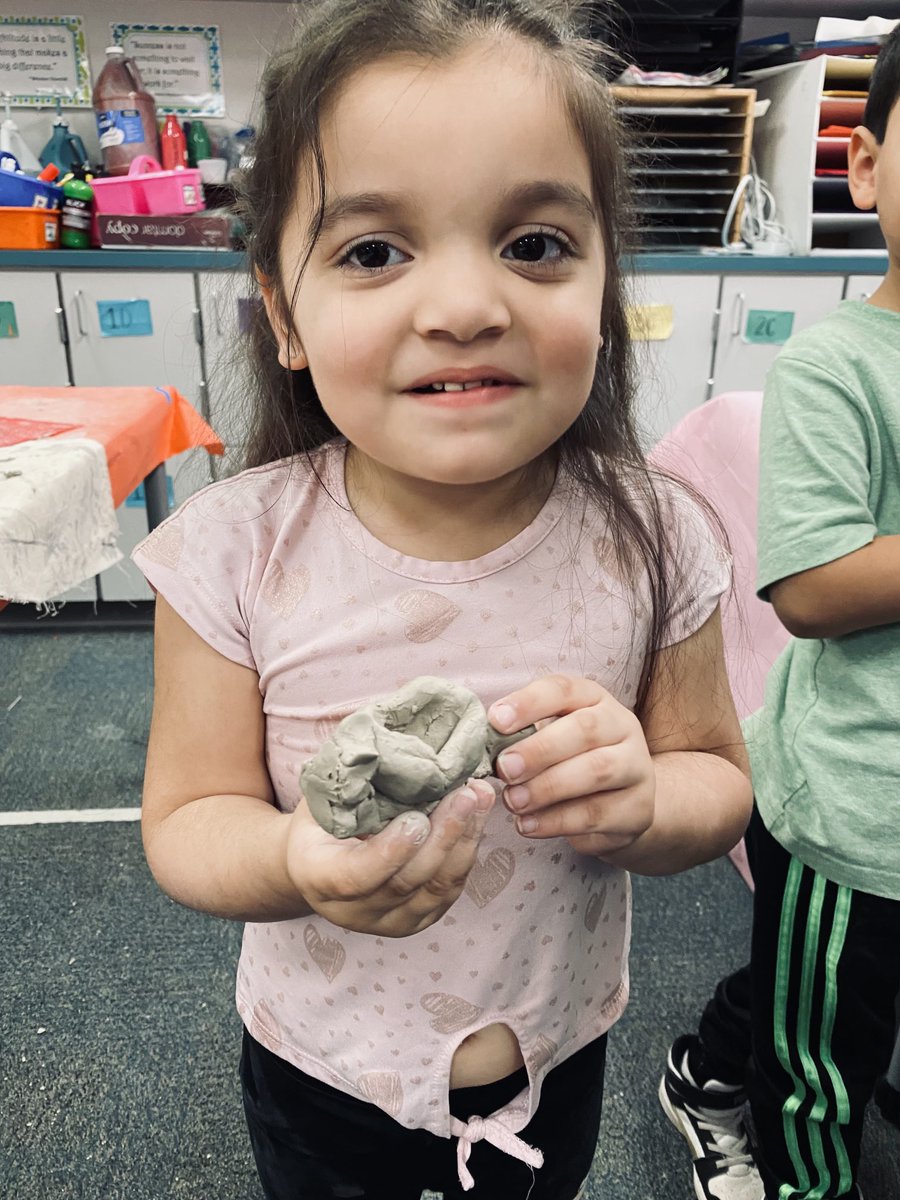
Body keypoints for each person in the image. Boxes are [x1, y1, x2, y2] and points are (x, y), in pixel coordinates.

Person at [133, 2, 752, 1197]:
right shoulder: (233, 551)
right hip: (327, 1072)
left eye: (533, 244)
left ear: (607, 276)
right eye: (374, 251)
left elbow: (718, 786)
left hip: (556, 1057)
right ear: (283, 313)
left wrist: (646, 798)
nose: (466, 305)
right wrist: (297, 860)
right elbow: (186, 819)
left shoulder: (660, 532)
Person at [659, 23, 900, 1200]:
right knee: (814, 1048)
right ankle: (716, 1091)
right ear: (864, 168)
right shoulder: (841, 369)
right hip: (853, 815)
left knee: (834, 998)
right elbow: (811, 590)